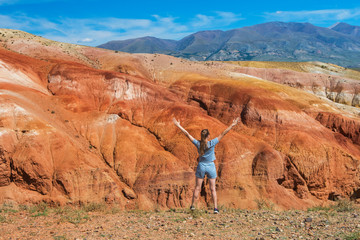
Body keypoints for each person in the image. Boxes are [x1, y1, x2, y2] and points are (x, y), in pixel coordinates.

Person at [173, 117, 240, 214]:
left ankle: (192, 206)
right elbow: (223, 133)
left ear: (201, 136)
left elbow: (187, 134)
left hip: (201, 166)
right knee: (213, 189)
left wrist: (179, 125)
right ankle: (216, 209)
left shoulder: (198, 144)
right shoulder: (212, 143)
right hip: (210, 166)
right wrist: (232, 125)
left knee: (197, 187)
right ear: (208, 136)